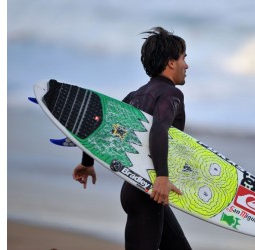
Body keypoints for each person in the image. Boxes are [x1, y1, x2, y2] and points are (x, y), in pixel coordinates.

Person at [72, 27, 192, 250]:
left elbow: (102, 128)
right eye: (184, 58)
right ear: (171, 62)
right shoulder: (171, 94)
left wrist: (87, 163)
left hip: (141, 191)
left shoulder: (134, 96)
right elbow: (159, 130)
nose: (187, 65)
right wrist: (163, 177)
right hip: (148, 192)